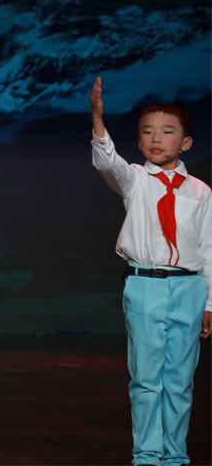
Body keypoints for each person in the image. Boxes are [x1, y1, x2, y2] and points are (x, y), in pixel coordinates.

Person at [89, 77, 212, 466]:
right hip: (146, 285)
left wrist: (210, 303)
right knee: (146, 377)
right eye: (147, 132)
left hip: (189, 287)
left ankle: (175, 455)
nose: (156, 138)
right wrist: (97, 118)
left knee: (179, 379)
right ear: (139, 142)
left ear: (186, 142)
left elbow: (209, 249)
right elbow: (107, 161)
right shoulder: (135, 180)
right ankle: (146, 454)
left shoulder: (200, 191)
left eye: (167, 131)